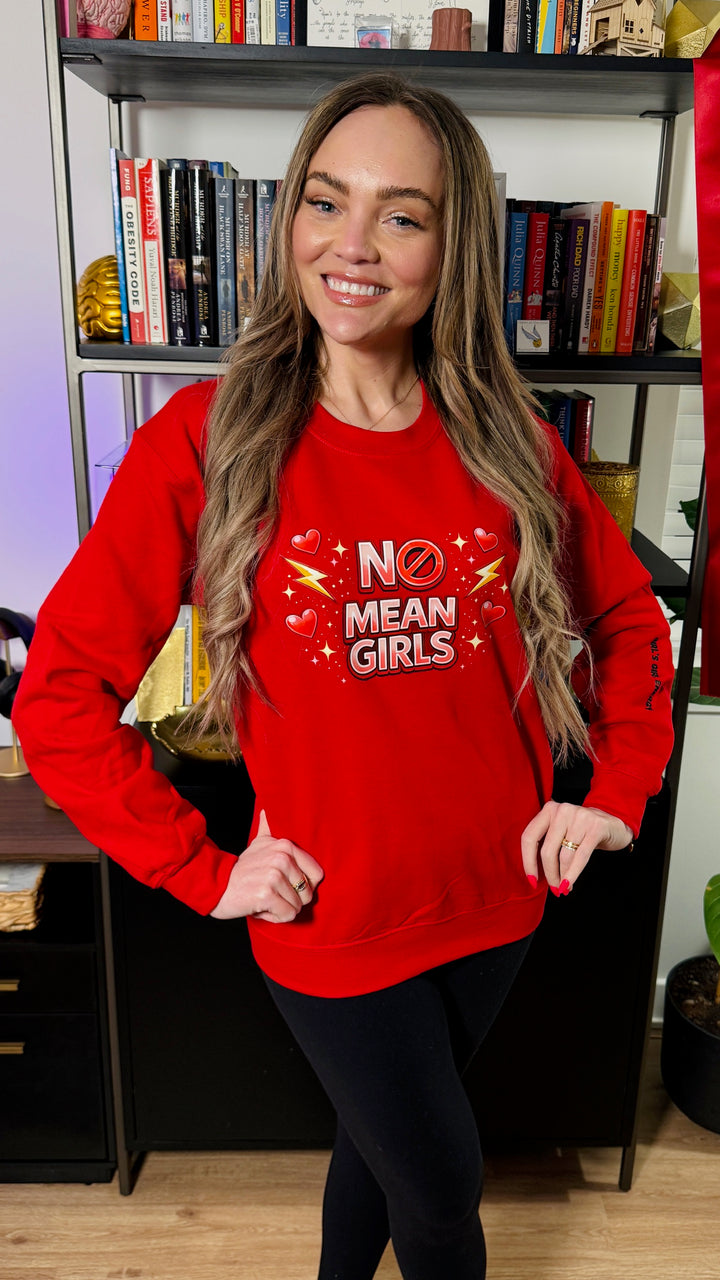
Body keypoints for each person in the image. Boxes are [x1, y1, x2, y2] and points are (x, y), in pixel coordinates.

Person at [13, 73, 674, 1279]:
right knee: (441, 1188)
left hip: (499, 898)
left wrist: (616, 792)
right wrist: (201, 870)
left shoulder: (507, 438)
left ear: (451, 244)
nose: (352, 246)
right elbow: (56, 691)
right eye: (327, 201)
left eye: (402, 214)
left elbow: (629, 621)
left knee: (379, 1154)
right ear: (292, 222)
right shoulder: (208, 442)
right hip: (330, 917)